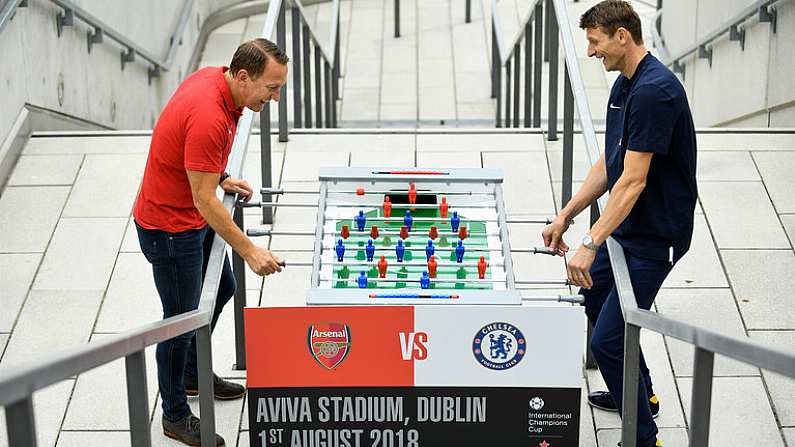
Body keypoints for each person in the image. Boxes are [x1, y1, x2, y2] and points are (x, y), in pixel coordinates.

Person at [542, 2, 697, 446]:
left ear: (622, 36)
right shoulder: (625, 86)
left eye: (595, 41)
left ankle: (645, 438)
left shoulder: (653, 93)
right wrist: (567, 214)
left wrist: (590, 241)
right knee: (594, 299)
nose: (591, 52)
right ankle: (641, 395)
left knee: (608, 340)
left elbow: (632, 182)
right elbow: (610, 164)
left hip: (655, 236)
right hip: (628, 229)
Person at [133, 38, 288, 446]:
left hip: (186, 216)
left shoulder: (215, 82)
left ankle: (188, 374)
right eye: (271, 88)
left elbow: (192, 159)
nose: (275, 97)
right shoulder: (210, 116)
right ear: (242, 76)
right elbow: (204, 202)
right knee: (180, 323)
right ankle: (174, 415)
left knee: (222, 289)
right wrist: (250, 249)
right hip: (170, 230)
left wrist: (217, 175)